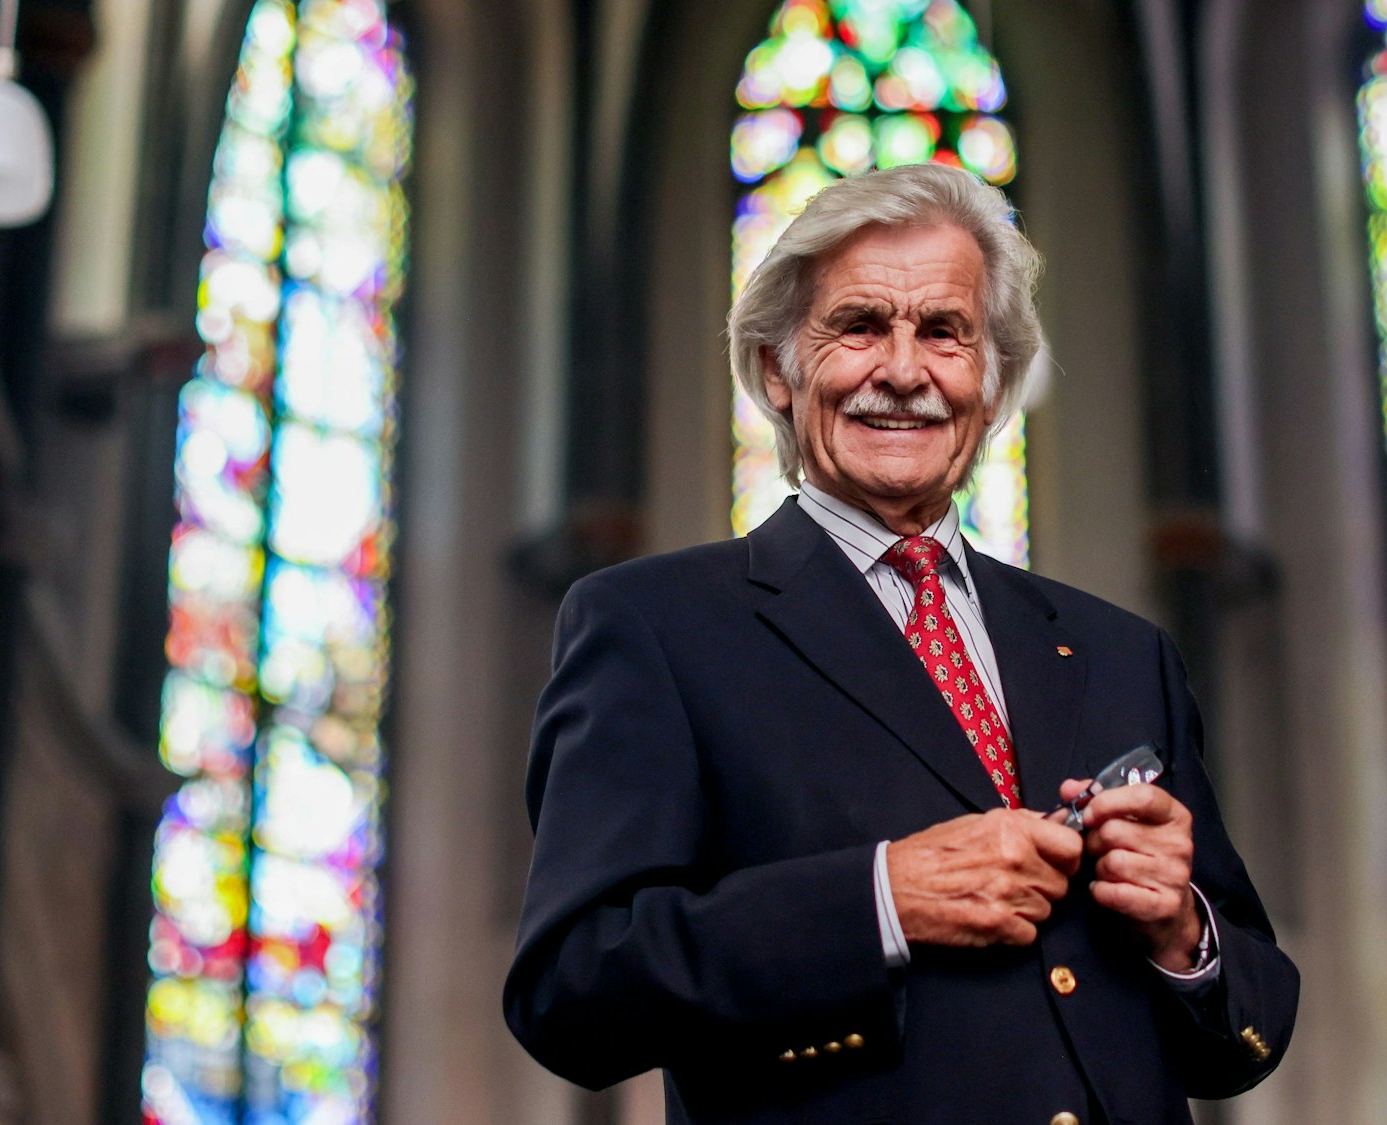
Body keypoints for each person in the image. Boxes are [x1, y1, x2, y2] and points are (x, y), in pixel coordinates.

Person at [503, 163, 1299, 1124]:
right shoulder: (653, 625)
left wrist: (1182, 927)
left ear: (992, 379)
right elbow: (572, 992)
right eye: (859, 325)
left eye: (945, 332)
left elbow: (1251, 1027)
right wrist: (880, 899)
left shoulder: (1122, 651)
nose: (904, 370)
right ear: (775, 372)